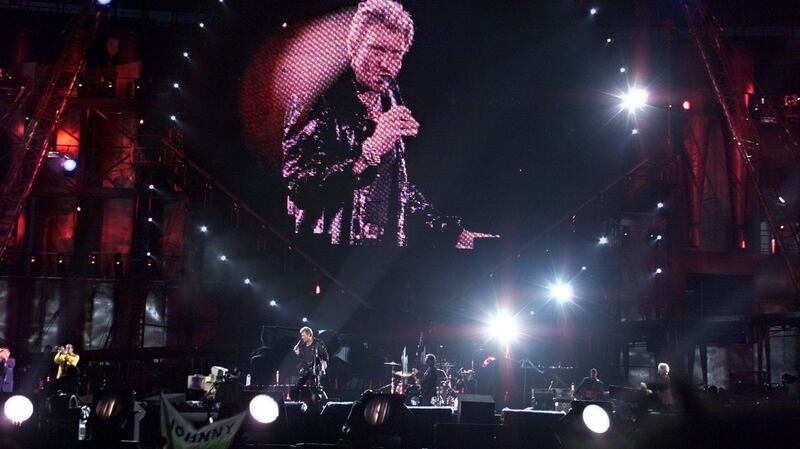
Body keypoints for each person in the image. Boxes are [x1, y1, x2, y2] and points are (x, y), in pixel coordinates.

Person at [282, 0, 495, 249]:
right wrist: (369, 152)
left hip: (379, 249)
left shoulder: (389, 99)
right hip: (325, 249)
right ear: (353, 47)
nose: (387, 64)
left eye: (396, 54)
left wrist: (450, 231)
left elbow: (397, 186)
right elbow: (300, 187)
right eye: (377, 50)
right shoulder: (317, 98)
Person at [292, 327, 329, 402]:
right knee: (297, 387)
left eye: (303, 335)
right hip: (306, 369)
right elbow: (301, 360)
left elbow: (325, 355)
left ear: (309, 335)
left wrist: (324, 362)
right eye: (301, 335)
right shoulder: (302, 345)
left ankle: (322, 403)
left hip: (316, 369)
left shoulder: (318, 343)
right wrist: (298, 353)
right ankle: (296, 404)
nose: (302, 337)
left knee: (315, 389)